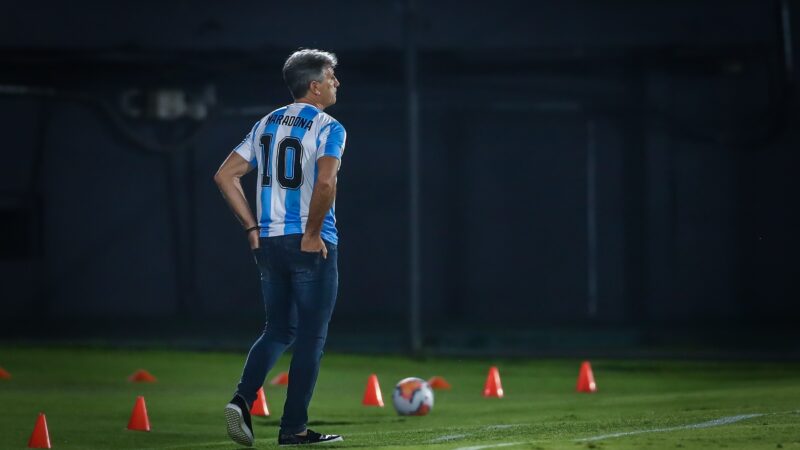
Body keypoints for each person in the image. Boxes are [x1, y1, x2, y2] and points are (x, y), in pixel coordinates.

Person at [214, 48, 346, 447]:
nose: (337, 82)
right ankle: (294, 429)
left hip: (269, 242)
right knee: (311, 337)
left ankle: (243, 398)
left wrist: (252, 228)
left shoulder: (266, 123)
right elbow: (325, 183)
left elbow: (224, 176)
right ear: (315, 85)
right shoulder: (328, 126)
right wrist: (311, 232)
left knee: (277, 329)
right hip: (310, 242)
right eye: (332, 76)